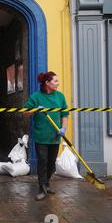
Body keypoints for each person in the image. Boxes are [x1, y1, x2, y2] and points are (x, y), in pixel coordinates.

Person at [24, 71, 69, 201]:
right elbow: (25, 113)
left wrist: (63, 128)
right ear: (47, 83)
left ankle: (47, 183)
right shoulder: (35, 97)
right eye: (55, 81)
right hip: (41, 136)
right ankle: (41, 188)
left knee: (51, 162)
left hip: (55, 135)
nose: (58, 83)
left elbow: (65, 113)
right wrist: (35, 109)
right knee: (42, 161)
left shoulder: (60, 96)